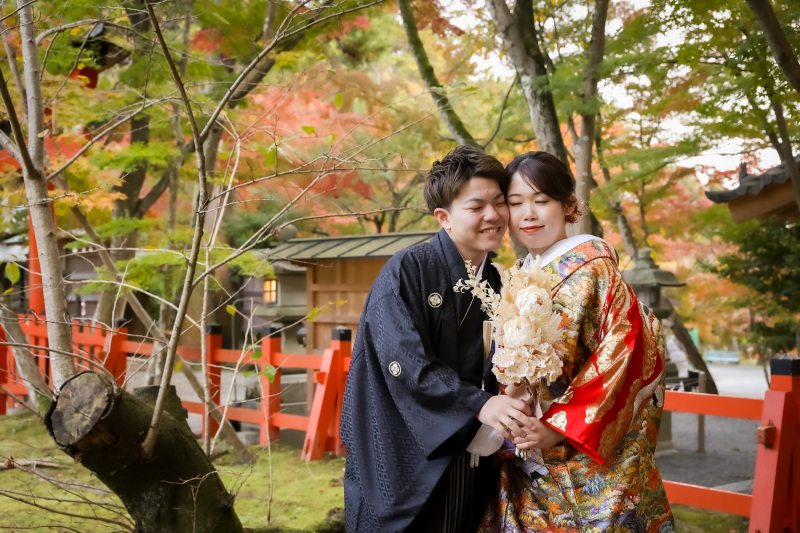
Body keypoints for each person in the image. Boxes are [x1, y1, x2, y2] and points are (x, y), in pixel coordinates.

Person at [340, 146, 535, 533]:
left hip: (473, 446)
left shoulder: (498, 281)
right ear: (443, 218)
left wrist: (512, 394)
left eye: (500, 202)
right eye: (477, 206)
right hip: (401, 447)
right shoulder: (408, 270)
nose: (493, 215)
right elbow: (404, 363)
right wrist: (481, 405)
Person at [477, 151, 675, 532]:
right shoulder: (518, 276)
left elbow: (628, 351)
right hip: (529, 454)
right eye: (515, 203)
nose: (528, 214)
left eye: (541, 200)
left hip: (589, 451)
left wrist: (556, 427)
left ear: (569, 205)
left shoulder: (594, 268)